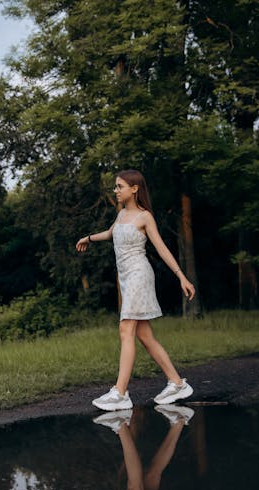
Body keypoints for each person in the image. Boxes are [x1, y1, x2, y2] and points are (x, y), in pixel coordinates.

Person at [76, 169, 196, 411]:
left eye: (120, 186)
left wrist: (182, 276)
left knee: (125, 328)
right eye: (116, 186)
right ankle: (177, 382)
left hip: (140, 275)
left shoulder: (144, 217)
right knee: (144, 336)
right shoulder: (121, 214)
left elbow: (161, 248)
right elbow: (111, 234)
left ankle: (120, 393)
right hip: (126, 279)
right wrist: (88, 238)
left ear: (134, 189)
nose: (116, 190)